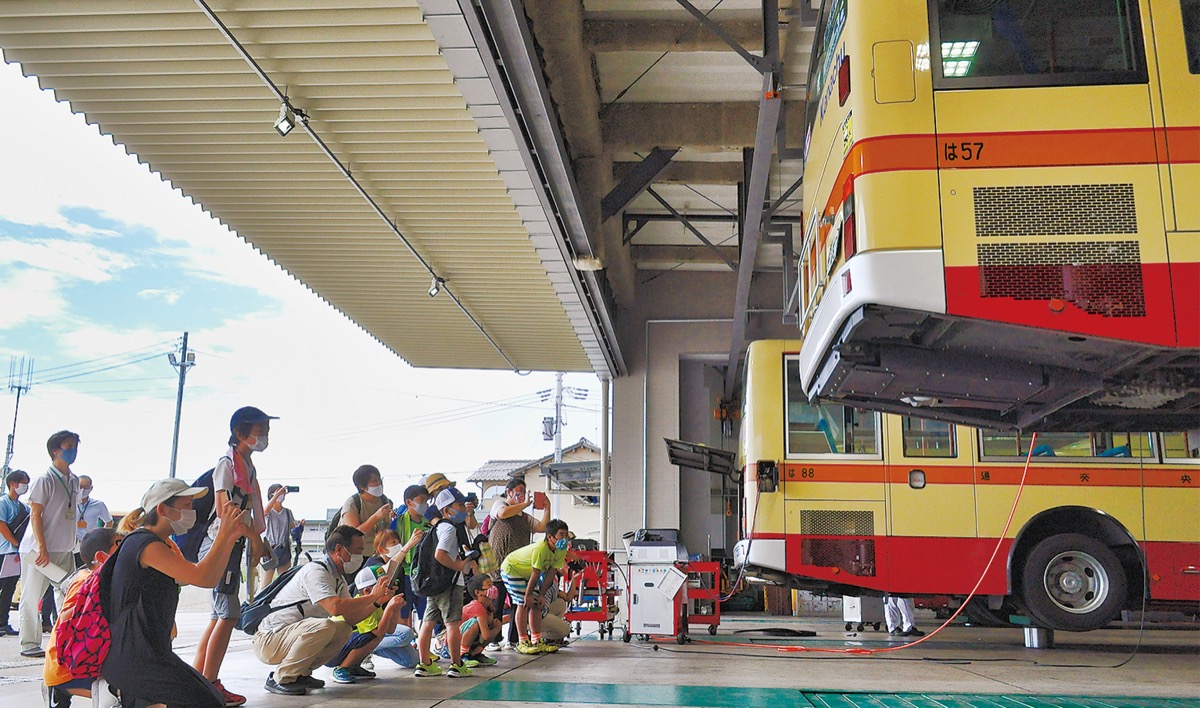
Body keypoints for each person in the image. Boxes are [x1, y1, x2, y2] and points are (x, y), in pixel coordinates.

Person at [102, 478, 249, 708]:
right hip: (135, 657)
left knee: (210, 699)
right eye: (187, 506)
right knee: (205, 702)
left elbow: (207, 577)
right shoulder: (145, 544)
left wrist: (229, 538)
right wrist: (223, 533)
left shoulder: (160, 544)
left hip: (151, 653)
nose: (192, 512)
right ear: (162, 509)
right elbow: (202, 576)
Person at [193, 406, 276, 707]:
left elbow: (250, 511)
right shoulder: (227, 465)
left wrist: (255, 540)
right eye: (260, 430)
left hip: (231, 546)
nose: (265, 436)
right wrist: (254, 538)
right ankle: (210, 685)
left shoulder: (246, 465)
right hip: (220, 546)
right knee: (227, 614)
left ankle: (199, 680)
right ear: (241, 433)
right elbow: (227, 510)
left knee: (220, 615)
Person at [252, 525, 395, 696]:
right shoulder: (316, 571)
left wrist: (378, 602)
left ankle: (300, 674)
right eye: (358, 550)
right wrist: (373, 596)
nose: (361, 556)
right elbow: (335, 607)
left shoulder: (337, 579)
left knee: (343, 628)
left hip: (288, 636)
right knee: (325, 626)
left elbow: (351, 617)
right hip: (269, 639)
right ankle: (281, 678)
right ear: (339, 550)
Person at [18, 431, 82, 658]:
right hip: (39, 550)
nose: (73, 450)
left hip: (64, 548)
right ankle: (29, 644)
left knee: (69, 595)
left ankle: (66, 640)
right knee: (32, 596)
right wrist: (42, 547)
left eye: (75, 445)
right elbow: (36, 516)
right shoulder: (44, 480)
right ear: (55, 450)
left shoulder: (74, 480)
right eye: (68, 446)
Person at [321, 530, 414, 681]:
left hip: (344, 645)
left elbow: (390, 629)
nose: (389, 588)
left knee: (409, 658)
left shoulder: (377, 602)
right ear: (367, 590)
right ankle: (342, 668)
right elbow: (378, 633)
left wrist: (394, 609)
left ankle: (353, 665)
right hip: (332, 651)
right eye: (384, 585)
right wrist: (388, 606)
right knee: (370, 637)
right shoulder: (361, 603)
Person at [43, 527, 118, 707]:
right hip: (67, 667)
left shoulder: (98, 579)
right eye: (118, 544)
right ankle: (60, 689)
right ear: (100, 557)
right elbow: (66, 618)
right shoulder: (86, 581)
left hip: (79, 662)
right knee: (122, 692)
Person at [414, 487, 477, 678]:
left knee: (428, 622)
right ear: (447, 510)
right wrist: (458, 565)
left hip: (434, 583)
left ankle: (424, 663)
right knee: (452, 623)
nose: (464, 508)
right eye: (459, 505)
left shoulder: (437, 527)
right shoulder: (449, 528)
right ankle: (456, 664)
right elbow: (440, 554)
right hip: (449, 583)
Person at [487, 476, 549, 648]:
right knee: (497, 603)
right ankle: (494, 639)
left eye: (523, 492)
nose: (522, 496)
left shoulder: (524, 516)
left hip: (518, 566)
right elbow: (503, 514)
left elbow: (541, 527)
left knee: (519, 601)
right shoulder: (500, 504)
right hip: (498, 564)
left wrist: (546, 508)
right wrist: (524, 504)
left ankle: (514, 639)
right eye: (519, 492)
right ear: (509, 492)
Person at [500, 519, 570, 655]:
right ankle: (522, 641)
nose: (564, 538)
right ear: (550, 537)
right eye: (561, 535)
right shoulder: (540, 548)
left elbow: (551, 573)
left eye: (566, 535)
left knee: (537, 603)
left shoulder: (561, 550)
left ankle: (536, 639)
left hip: (529, 574)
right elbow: (536, 573)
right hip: (513, 570)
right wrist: (527, 595)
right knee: (523, 603)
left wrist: (542, 595)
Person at [391, 484, 429, 627]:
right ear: (409, 502)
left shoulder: (428, 524)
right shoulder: (397, 524)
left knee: (425, 614)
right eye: (421, 500)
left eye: (426, 501)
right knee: (403, 611)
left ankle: (421, 644)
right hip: (404, 573)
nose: (425, 504)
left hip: (422, 574)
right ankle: (407, 640)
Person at [338, 465, 393, 564]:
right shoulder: (353, 503)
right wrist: (375, 517)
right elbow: (353, 533)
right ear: (362, 486)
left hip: (376, 554)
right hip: (353, 556)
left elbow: (384, 528)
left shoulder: (384, 500)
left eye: (380, 479)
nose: (379, 483)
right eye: (374, 480)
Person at [0, 470, 31, 636]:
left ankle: (2, 622)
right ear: (13, 483)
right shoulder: (3, 503)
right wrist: (16, 543)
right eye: (23, 482)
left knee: (9, 589)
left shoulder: (23, 506)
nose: (25, 486)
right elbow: (2, 526)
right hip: (4, 551)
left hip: (15, 555)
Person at [455, 574, 500, 666]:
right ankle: (462, 654)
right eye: (489, 585)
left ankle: (475, 653)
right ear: (478, 592)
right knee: (475, 624)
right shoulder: (477, 607)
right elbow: (486, 635)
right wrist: (496, 629)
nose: (493, 588)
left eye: (492, 584)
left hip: (471, 642)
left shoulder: (488, 606)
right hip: (455, 644)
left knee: (494, 623)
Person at [259, 484, 296, 588]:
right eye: (278, 492)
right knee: (265, 585)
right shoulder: (269, 511)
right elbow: (264, 511)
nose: (282, 494)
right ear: (271, 494)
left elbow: (291, 526)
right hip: (270, 551)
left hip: (284, 549)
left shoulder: (288, 512)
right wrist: (277, 495)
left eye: (282, 492)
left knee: (284, 583)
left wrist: (299, 524)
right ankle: (262, 603)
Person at [75, 476, 113, 545]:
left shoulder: (99, 504)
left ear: (91, 488)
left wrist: (100, 537)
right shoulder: (69, 504)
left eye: (86, 487)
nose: (82, 490)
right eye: (80, 487)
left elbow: (109, 522)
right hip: (73, 542)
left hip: (90, 542)